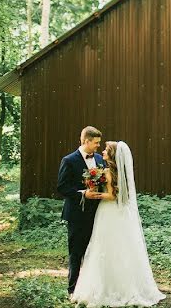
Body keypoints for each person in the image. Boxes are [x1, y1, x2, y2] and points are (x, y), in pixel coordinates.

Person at [71, 141, 165, 307]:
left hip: (108, 212)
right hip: (119, 214)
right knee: (121, 247)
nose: (103, 151)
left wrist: (96, 195)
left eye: (106, 150)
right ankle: (124, 285)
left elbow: (113, 196)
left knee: (104, 246)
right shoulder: (120, 172)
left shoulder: (108, 172)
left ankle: (107, 287)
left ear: (112, 155)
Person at [58, 126, 106, 295]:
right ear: (86, 141)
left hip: (98, 214)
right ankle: (73, 290)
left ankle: (93, 288)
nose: (98, 146)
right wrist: (83, 193)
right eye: (96, 143)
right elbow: (62, 187)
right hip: (77, 215)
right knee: (76, 252)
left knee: (96, 251)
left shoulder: (100, 159)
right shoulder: (69, 160)